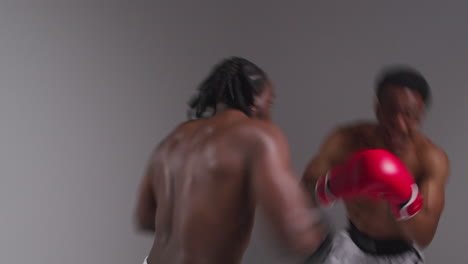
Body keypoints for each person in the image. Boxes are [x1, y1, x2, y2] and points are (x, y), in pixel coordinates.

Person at [134, 57, 326, 264]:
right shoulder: (257, 136)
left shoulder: (173, 140)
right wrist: (319, 233)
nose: (270, 113)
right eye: (269, 102)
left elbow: (144, 218)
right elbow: (295, 234)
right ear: (255, 102)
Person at [302, 66, 450, 263]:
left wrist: (403, 196)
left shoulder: (430, 159)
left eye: (409, 114)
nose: (399, 124)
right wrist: (334, 184)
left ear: (421, 114)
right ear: (378, 108)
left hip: (401, 256)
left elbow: (424, 237)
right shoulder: (347, 140)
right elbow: (303, 194)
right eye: (391, 112)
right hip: (350, 249)